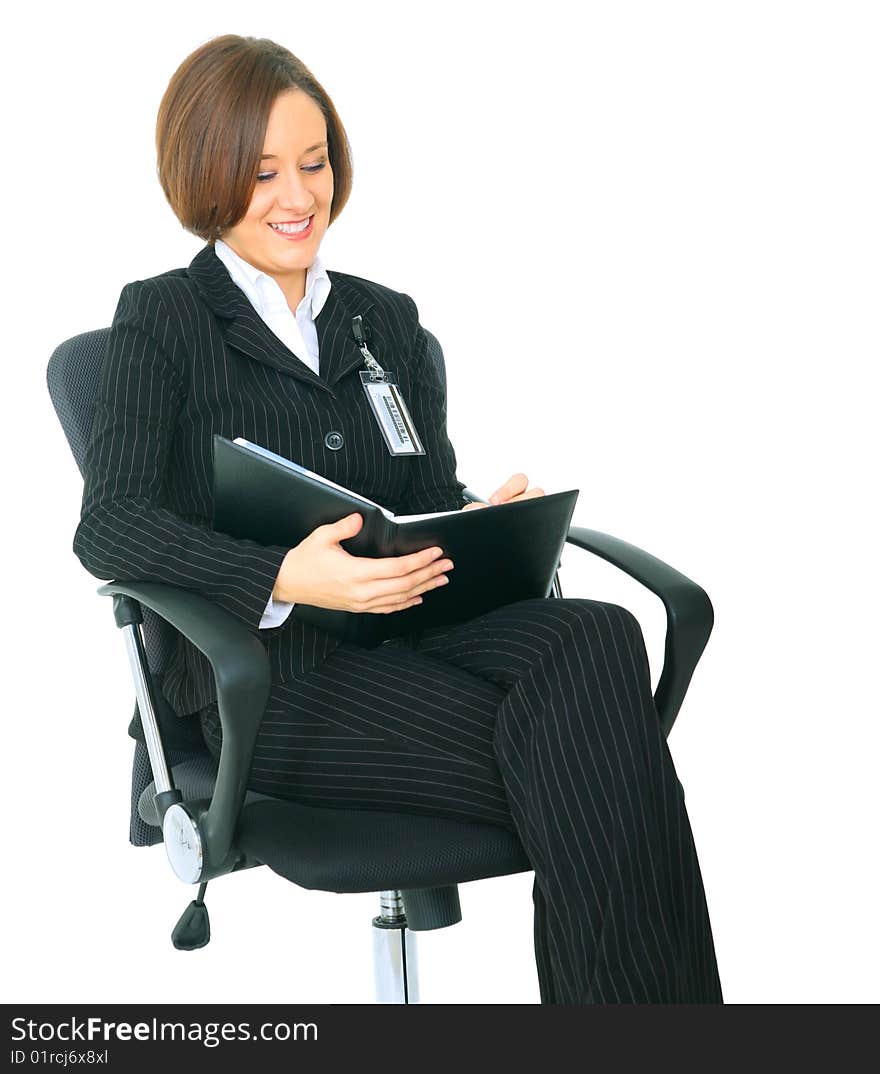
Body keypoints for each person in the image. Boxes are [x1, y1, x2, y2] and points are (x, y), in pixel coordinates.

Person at [73, 33, 723, 1004]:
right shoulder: (162, 321)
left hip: (424, 635)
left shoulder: (386, 320)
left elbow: (419, 496)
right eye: (261, 172)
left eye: (314, 161)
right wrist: (285, 577)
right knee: (602, 760)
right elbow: (110, 526)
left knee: (598, 631)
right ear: (204, 173)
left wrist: (483, 522)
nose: (298, 196)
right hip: (277, 681)